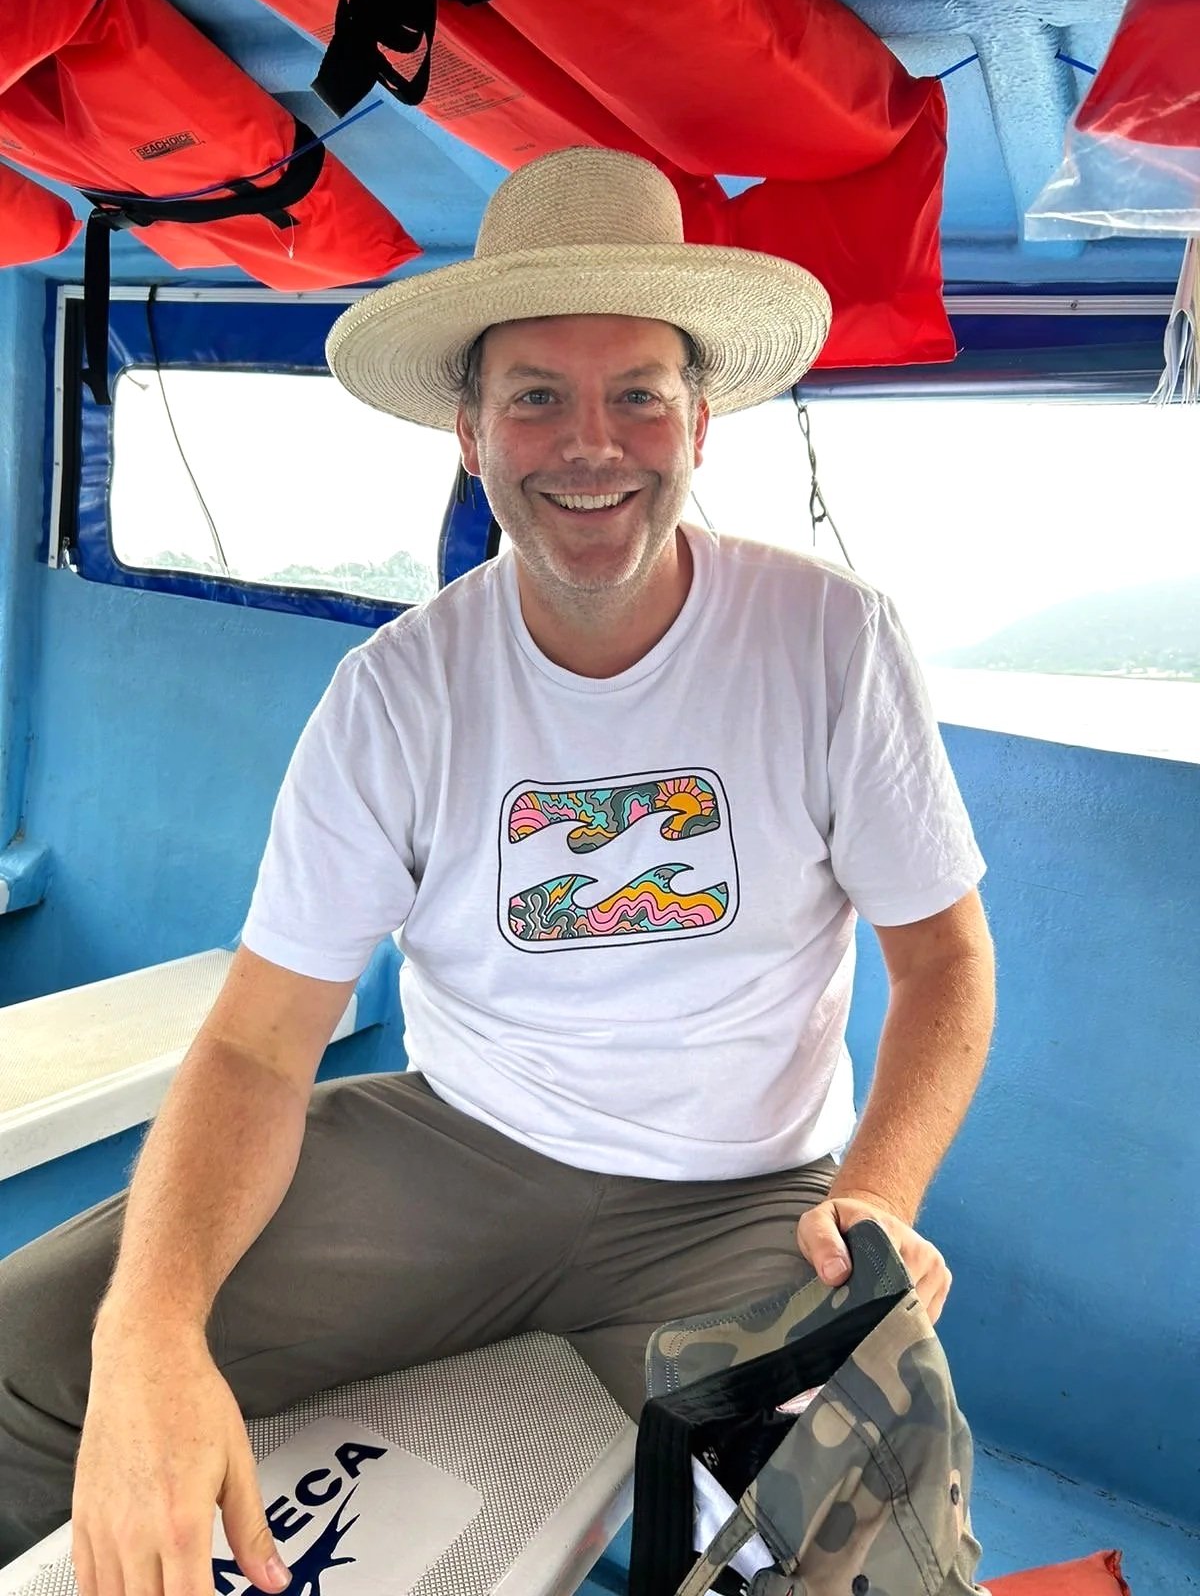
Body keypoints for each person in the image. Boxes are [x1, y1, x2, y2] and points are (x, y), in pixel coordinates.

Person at [0, 146, 995, 1594]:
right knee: (37, 1353)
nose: (590, 445)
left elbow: (944, 961)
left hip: (745, 1199)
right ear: (470, 434)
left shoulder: (831, 642)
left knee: (875, 1533)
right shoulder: (398, 693)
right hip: (456, 1155)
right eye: (535, 397)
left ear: (699, 423)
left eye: (636, 394)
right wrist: (154, 1328)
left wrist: (879, 1197)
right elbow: (261, 1044)